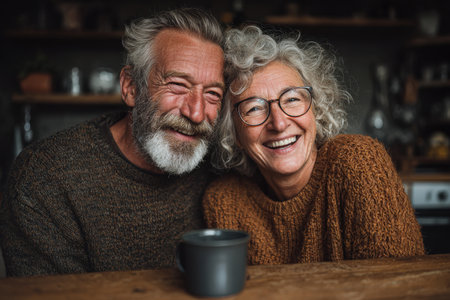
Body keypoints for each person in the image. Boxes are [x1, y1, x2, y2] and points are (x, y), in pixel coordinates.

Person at [0, 8, 225, 277]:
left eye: (213, 94)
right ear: (130, 87)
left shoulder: (222, 166)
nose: (196, 113)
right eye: (177, 85)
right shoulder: (45, 177)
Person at [203, 25, 425, 265]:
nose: (278, 123)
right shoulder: (224, 201)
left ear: (316, 111)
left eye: (292, 99)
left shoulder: (359, 162)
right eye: (254, 108)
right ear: (233, 131)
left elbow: (399, 283)